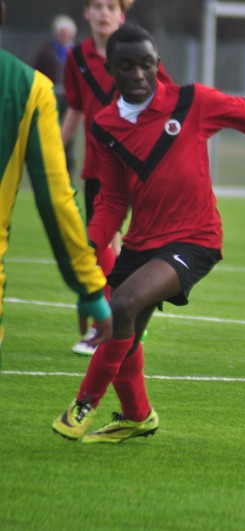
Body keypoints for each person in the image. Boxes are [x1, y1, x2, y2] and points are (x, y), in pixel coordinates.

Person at [51, 25, 245, 443]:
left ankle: (83, 405)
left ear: (158, 65)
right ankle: (138, 417)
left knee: (124, 305)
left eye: (146, 65)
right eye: (126, 66)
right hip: (141, 241)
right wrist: (89, 245)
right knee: (126, 334)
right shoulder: (103, 126)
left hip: (196, 237)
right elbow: (113, 201)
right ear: (110, 70)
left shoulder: (191, 102)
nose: (138, 74)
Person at [0, 0, 111, 358]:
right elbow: (54, 198)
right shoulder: (29, 85)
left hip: (107, 160)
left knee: (111, 235)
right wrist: (91, 291)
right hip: (91, 160)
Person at [62, 0, 170, 356]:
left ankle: (111, 327)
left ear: (123, 15)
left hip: (138, 165)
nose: (104, 12)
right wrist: (56, 149)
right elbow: (76, 107)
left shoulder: (141, 54)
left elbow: (167, 99)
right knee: (110, 244)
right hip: (99, 166)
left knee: (122, 245)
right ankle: (119, 324)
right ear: (86, 13)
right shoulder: (76, 58)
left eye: (111, 6)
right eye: (97, 6)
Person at [32, 14, 76, 173]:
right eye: (61, 33)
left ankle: (68, 175)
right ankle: (50, 171)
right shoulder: (46, 52)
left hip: (70, 101)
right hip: (51, 98)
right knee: (50, 135)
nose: (64, 36)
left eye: (67, 33)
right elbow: (36, 72)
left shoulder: (76, 54)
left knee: (69, 140)